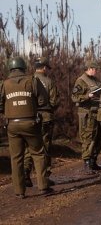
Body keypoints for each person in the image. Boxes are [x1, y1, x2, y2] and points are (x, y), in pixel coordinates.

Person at [0, 57, 53, 198]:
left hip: (12, 125)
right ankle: (43, 187)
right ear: (24, 68)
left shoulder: (4, 85)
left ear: (10, 68)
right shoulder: (32, 81)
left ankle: (19, 192)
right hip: (31, 123)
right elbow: (43, 100)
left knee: (16, 158)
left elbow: (0, 106)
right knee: (38, 153)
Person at [24, 57, 60, 187]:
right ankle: (45, 177)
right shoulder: (49, 82)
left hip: (31, 117)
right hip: (46, 117)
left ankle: (26, 172)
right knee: (44, 147)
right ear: (44, 68)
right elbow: (54, 101)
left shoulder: (28, 80)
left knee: (30, 146)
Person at [71, 60, 101, 172]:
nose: (96, 71)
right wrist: (87, 96)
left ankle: (93, 161)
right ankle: (87, 163)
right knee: (87, 138)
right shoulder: (81, 81)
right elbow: (74, 97)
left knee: (98, 138)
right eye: (94, 69)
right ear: (89, 68)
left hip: (97, 112)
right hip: (86, 113)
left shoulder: (96, 80)